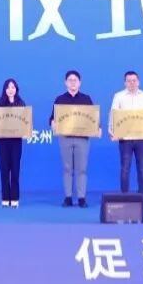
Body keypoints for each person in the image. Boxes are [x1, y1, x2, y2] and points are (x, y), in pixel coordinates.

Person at [51, 70, 95, 208]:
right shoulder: (60, 100)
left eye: (75, 80)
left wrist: (97, 128)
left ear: (80, 82)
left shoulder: (86, 99)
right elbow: (52, 118)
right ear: (65, 83)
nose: (72, 83)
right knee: (67, 168)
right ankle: (68, 197)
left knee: (82, 169)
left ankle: (81, 198)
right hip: (65, 138)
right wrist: (53, 124)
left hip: (82, 139)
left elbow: (93, 119)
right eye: (70, 80)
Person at [110, 70, 143, 205]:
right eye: (129, 81)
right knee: (125, 168)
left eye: (134, 80)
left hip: (142, 138)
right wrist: (112, 131)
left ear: (138, 82)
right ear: (125, 83)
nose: (132, 83)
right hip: (125, 139)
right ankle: (124, 197)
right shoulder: (118, 96)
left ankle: (142, 196)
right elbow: (113, 115)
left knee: (142, 169)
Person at [0, 78, 25, 208]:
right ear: (5, 89)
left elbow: (25, 122)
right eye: (8, 87)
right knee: (4, 170)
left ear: (16, 89)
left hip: (16, 142)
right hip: (2, 142)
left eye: (13, 87)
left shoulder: (21, 104)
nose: (11, 90)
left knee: (15, 170)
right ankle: (5, 198)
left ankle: (15, 198)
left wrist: (25, 132)